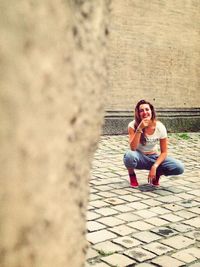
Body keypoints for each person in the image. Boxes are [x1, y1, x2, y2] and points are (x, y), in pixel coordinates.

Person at [123, 99, 184, 187]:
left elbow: (164, 152)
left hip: (154, 157)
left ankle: (157, 173)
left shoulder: (160, 127)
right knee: (129, 156)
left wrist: (155, 166)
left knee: (179, 167)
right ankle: (132, 175)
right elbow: (133, 148)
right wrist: (140, 128)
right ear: (138, 113)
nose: (145, 112)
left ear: (151, 111)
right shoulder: (132, 125)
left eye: (147, 109)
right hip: (139, 157)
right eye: (141, 110)